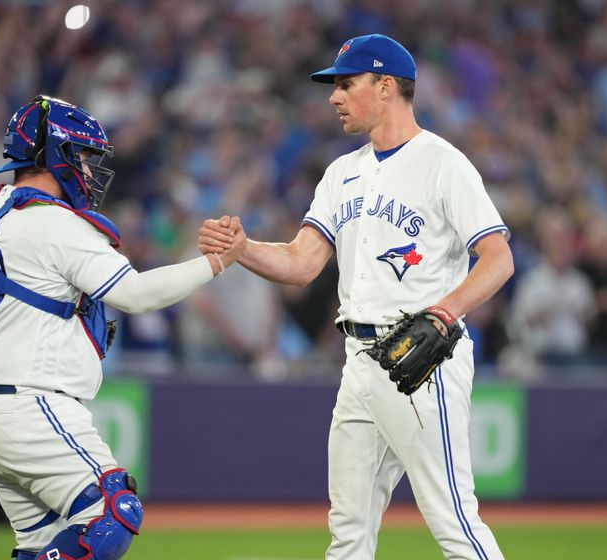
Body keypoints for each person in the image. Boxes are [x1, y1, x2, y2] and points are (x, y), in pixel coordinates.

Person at [199, 34, 512, 559]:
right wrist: (244, 248)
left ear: (386, 86)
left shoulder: (443, 163)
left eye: (346, 84)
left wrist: (443, 313)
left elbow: (498, 257)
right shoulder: (342, 173)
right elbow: (301, 263)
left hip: (423, 359)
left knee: (453, 521)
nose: (334, 96)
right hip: (359, 362)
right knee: (348, 529)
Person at [0, 95, 245, 560]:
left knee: (38, 548)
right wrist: (216, 262)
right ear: (56, 154)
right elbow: (134, 294)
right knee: (113, 514)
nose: (88, 172)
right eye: (83, 158)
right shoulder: (52, 221)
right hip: (31, 405)